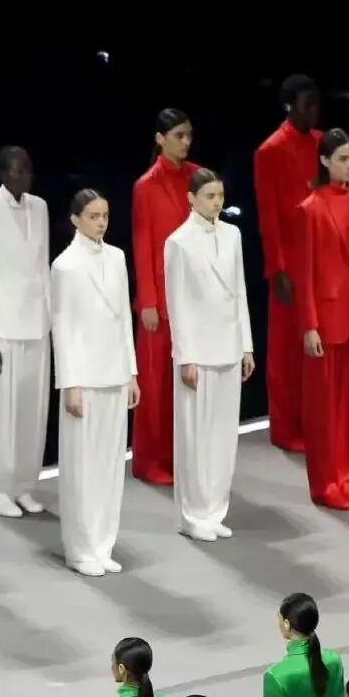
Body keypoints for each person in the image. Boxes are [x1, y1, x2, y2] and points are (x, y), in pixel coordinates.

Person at [50, 189, 139, 576]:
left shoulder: (116, 257)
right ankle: (80, 548)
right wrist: (70, 383)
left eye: (104, 215)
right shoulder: (65, 266)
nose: (101, 222)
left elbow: (123, 318)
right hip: (84, 378)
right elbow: (63, 327)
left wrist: (131, 372)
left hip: (114, 374)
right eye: (93, 216)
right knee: (82, 466)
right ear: (75, 219)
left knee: (109, 465)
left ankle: (103, 543)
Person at [164, 168, 254, 541]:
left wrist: (246, 345)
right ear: (191, 198)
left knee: (222, 435)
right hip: (198, 352)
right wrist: (185, 356)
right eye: (209, 196)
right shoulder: (179, 242)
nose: (217, 202)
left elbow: (239, 290)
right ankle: (192, 514)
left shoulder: (232, 234)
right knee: (195, 436)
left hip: (229, 346)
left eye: (220, 196)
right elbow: (177, 303)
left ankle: (215, 509)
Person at [297, 128, 349, 508]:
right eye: (343, 159)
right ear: (325, 160)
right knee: (325, 408)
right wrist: (310, 324)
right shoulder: (311, 208)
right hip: (327, 315)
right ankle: (326, 482)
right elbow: (305, 273)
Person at [0, 146, 51, 517]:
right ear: (3, 174)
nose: (24, 176)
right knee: (3, 413)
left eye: (28, 169)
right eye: (17, 170)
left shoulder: (40, 208)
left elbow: (43, 266)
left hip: (36, 323)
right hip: (3, 327)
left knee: (32, 412)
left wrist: (49, 318)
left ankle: (24, 484)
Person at [254, 74, 322, 453]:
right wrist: (277, 269)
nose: (313, 112)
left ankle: (313, 420)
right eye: (306, 104)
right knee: (286, 350)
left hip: (320, 256)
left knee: (315, 345)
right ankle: (284, 426)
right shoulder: (271, 151)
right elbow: (269, 218)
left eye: (316, 104)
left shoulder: (322, 143)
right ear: (289, 106)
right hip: (290, 261)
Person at [132, 109, 199, 486]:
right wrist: (148, 302)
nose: (185, 142)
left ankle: (181, 456)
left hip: (194, 294)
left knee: (188, 381)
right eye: (178, 135)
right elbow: (143, 244)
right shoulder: (146, 186)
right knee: (156, 383)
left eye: (188, 135)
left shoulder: (197, 177)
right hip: (160, 297)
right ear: (160, 139)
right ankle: (150, 460)